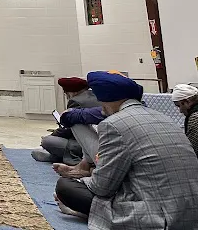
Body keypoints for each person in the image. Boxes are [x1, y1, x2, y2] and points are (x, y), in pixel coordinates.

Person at [54, 71, 198, 229]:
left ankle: (90, 213)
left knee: (66, 186)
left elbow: (101, 187)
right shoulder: (164, 118)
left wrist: (83, 179)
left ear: (109, 101)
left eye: (102, 104)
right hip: (191, 211)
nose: (102, 109)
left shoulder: (113, 124)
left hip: (160, 218)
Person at [32, 76, 102, 164]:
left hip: (87, 146)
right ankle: (55, 156)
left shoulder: (76, 101)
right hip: (100, 141)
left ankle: (61, 157)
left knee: (47, 141)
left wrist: (53, 135)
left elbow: (68, 129)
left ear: (72, 92)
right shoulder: (95, 96)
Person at [171, 83, 198, 157]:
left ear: (187, 102)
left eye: (179, 106)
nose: (180, 111)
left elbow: (193, 150)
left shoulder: (195, 118)